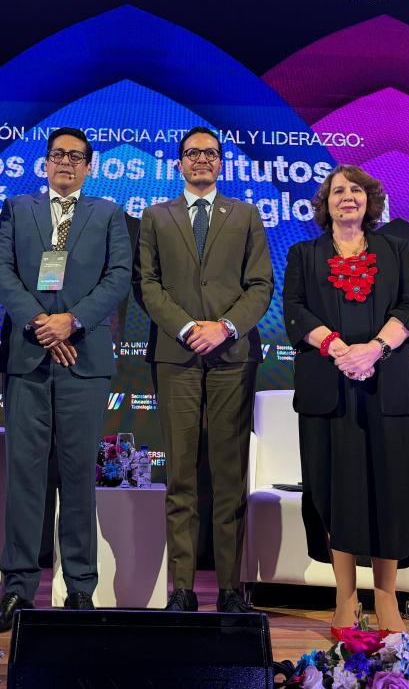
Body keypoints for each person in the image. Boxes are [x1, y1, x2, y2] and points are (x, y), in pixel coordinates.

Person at [0, 127, 132, 634]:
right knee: (23, 476)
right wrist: (40, 323)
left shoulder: (107, 213)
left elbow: (119, 276)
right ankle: (17, 590)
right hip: (28, 357)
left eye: (76, 157)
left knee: (78, 476)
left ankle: (80, 589)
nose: (66, 162)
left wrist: (72, 321)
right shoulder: (17, 209)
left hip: (84, 360)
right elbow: (0, 268)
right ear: (44, 163)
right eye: (58, 155)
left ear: (89, 166)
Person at [282, 164, 409, 633]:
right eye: (337, 191)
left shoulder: (396, 249)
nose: (347, 197)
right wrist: (340, 350)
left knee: (391, 490)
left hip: (387, 386)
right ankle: (345, 598)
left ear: (370, 201)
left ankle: (387, 598)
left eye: (356, 189)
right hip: (328, 390)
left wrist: (373, 349)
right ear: (325, 204)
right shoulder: (303, 254)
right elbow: (294, 310)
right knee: (335, 492)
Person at [133, 126, 274, 613]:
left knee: (229, 475)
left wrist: (225, 328)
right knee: (180, 476)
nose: (201, 160)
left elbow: (260, 285)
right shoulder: (156, 216)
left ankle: (231, 590)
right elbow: (147, 285)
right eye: (192, 153)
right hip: (177, 356)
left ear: (220, 163)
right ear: (178, 163)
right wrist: (189, 327)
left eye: (210, 153)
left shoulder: (246, 214)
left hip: (232, 356)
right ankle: (182, 589)